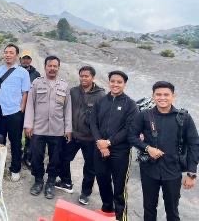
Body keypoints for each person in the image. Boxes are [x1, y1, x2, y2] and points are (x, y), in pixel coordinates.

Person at [129, 81, 199, 221]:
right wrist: (147, 148)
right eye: (158, 94)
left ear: (173, 96)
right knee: (149, 209)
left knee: (172, 210)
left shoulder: (184, 118)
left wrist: (191, 173)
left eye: (166, 94)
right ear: (153, 96)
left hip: (173, 171)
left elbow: (194, 144)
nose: (162, 98)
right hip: (149, 170)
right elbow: (131, 136)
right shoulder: (144, 115)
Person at [89, 70, 138, 221]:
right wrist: (100, 143)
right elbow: (93, 123)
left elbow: (128, 129)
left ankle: (120, 217)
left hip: (120, 151)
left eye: (119, 82)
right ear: (108, 82)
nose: (115, 84)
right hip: (100, 148)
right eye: (113, 81)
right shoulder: (101, 101)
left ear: (124, 84)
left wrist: (109, 143)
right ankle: (107, 209)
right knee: (102, 180)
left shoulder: (130, 104)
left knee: (119, 186)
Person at [56, 65, 105, 205]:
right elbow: (66, 109)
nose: (83, 78)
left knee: (90, 167)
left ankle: (85, 193)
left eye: (86, 76)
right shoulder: (73, 91)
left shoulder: (100, 95)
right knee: (63, 158)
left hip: (90, 138)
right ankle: (66, 182)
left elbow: (102, 118)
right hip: (73, 135)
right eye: (81, 76)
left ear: (92, 77)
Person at [24, 55, 72, 199]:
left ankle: (50, 182)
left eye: (55, 66)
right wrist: (28, 125)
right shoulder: (37, 83)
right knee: (36, 156)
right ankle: (38, 181)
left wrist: (68, 129)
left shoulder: (64, 86)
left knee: (55, 158)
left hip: (57, 130)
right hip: (38, 128)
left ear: (58, 67)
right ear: (45, 67)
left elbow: (67, 109)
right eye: (49, 66)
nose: (52, 68)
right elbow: (30, 105)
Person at [0, 43, 30, 182]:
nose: (8, 54)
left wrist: (21, 109)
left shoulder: (23, 72)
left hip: (15, 112)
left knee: (15, 143)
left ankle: (15, 169)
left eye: (11, 52)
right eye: (6, 52)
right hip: (0, 111)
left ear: (16, 55)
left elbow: (25, 92)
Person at [20, 50, 41, 168]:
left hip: (31, 107)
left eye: (28, 58)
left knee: (29, 133)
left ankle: (27, 157)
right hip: (18, 107)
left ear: (31, 60)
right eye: (24, 58)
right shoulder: (15, 71)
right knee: (17, 134)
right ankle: (17, 155)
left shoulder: (36, 74)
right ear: (20, 59)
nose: (26, 60)